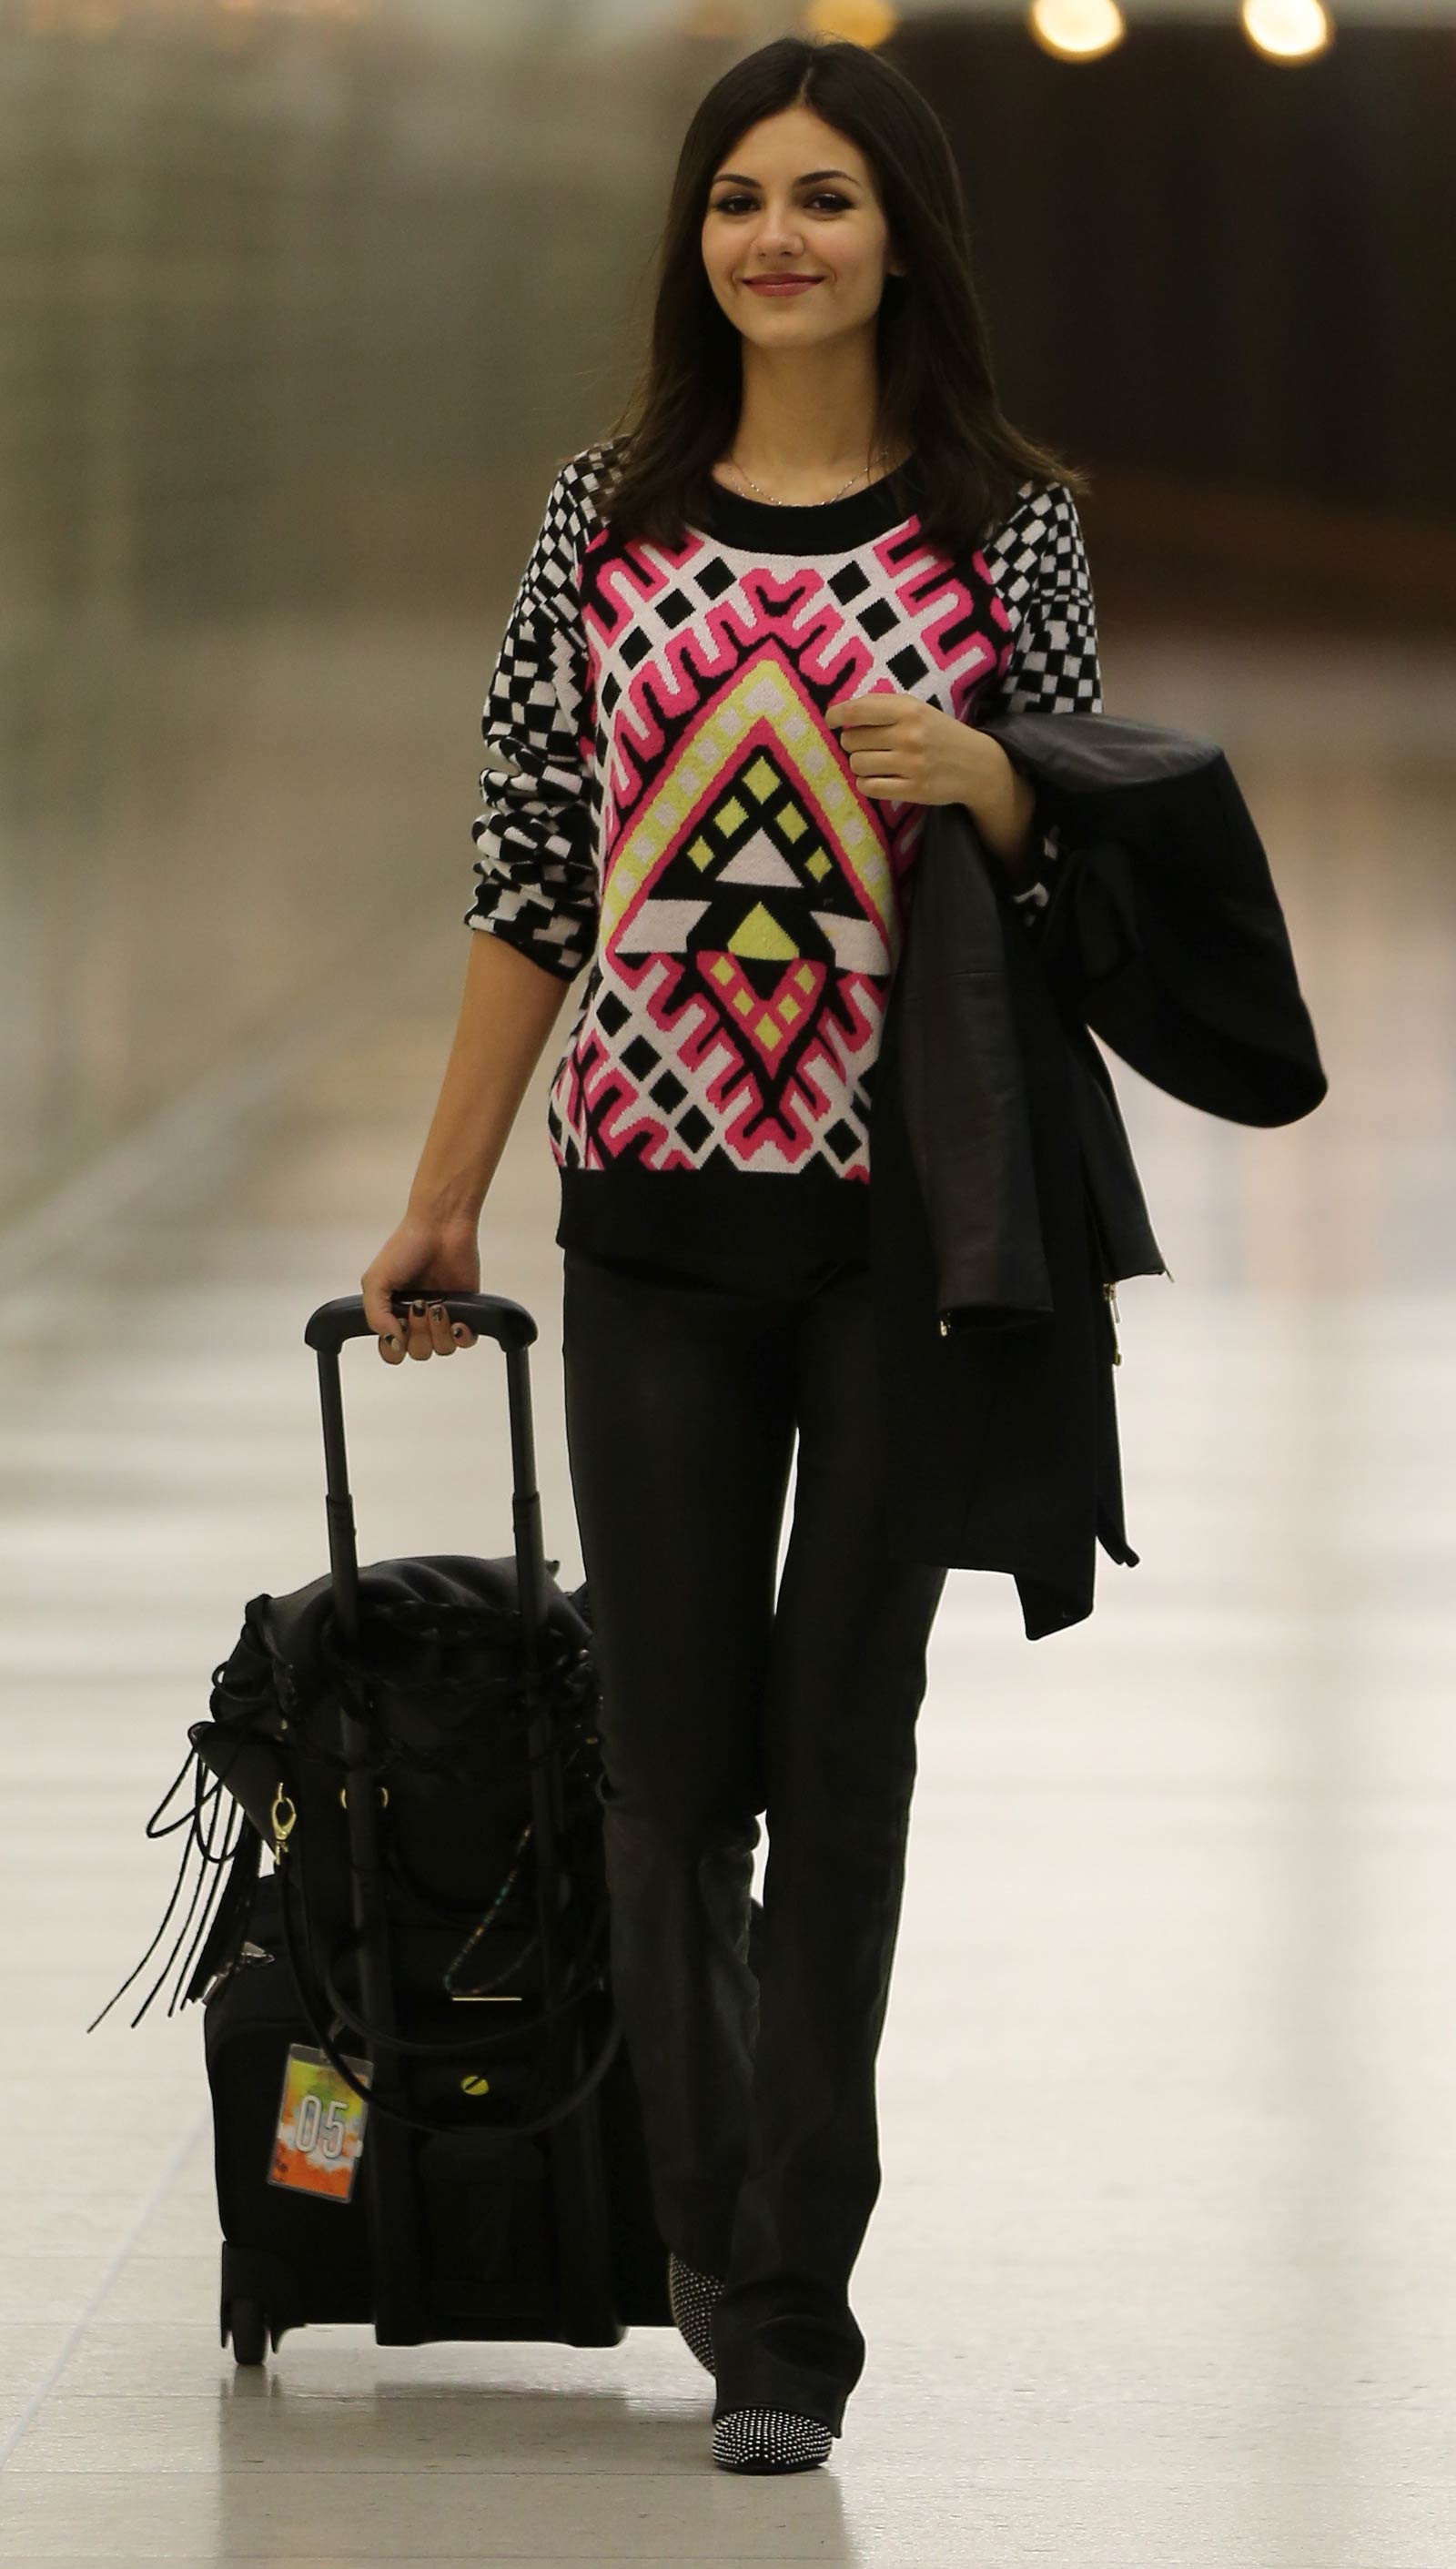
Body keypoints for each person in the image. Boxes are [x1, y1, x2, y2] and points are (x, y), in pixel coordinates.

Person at [360, 32, 1102, 2477]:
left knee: (840, 1752)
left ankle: (788, 2309)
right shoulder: (606, 520)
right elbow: (529, 873)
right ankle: (715, 2210)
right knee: (673, 1773)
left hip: (912, 1244)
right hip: (658, 1232)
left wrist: (998, 782)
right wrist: (446, 1186)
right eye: (738, 198)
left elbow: (1091, 879)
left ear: (903, 232)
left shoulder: (1010, 531)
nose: (778, 232)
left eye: (826, 194)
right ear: (699, 239)